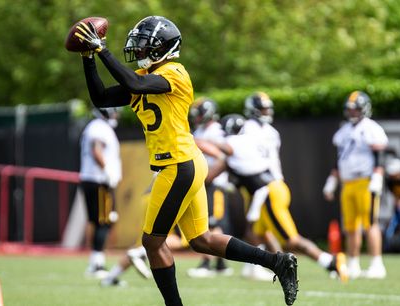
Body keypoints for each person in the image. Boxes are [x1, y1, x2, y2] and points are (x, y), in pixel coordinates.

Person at [74, 15, 298, 305]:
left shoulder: (175, 72)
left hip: (179, 165)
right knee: (201, 240)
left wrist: (103, 49)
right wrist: (88, 57)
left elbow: (131, 82)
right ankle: (278, 262)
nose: (139, 51)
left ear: (162, 47)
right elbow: (102, 97)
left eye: (145, 46)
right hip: (183, 163)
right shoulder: (143, 78)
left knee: (152, 242)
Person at [202, 113, 349, 283]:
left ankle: (331, 261)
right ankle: (280, 267)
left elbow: (222, 152)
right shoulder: (244, 145)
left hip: (268, 192)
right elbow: (212, 175)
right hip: (265, 192)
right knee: (257, 233)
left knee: (291, 240)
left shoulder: (238, 143)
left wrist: (193, 141)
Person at [323, 90, 388, 279]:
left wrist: (377, 177)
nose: (352, 113)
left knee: (370, 223)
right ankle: (353, 263)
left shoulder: (372, 128)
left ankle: (377, 263)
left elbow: (379, 156)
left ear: (364, 109)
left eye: (355, 109)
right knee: (350, 226)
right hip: (348, 183)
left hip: (366, 181)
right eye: (349, 110)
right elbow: (340, 159)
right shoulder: (344, 131)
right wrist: (332, 181)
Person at [188, 97, 234, 278]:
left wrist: (208, 177)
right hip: (204, 182)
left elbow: (225, 155)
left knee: (212, 223)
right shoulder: (201, 130)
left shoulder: (216, 131)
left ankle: (208, 263)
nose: (196, 118)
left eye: (198, 114)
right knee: (210, 223)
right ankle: (220, 263)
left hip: (214, 183)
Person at [79, 107, 122, 279]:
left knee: (101, 221)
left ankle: (96, 262)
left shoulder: (96, 126)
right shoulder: (99, 127)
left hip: (93, 180)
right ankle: (97, 264)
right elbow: (96, 150)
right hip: (98, 181)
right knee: (104, 221)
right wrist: (108, 171)